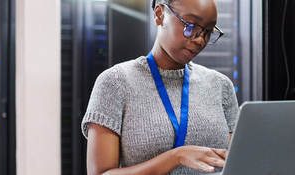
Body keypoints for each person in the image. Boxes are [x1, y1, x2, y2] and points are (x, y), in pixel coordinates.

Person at [81, 0, 239, 174]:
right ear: (159, 14)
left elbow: (237, 164)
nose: (200, 39)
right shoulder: (115, 83)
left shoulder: (221, 86)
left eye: (208, 31)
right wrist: (176, 157)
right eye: (191, 26)